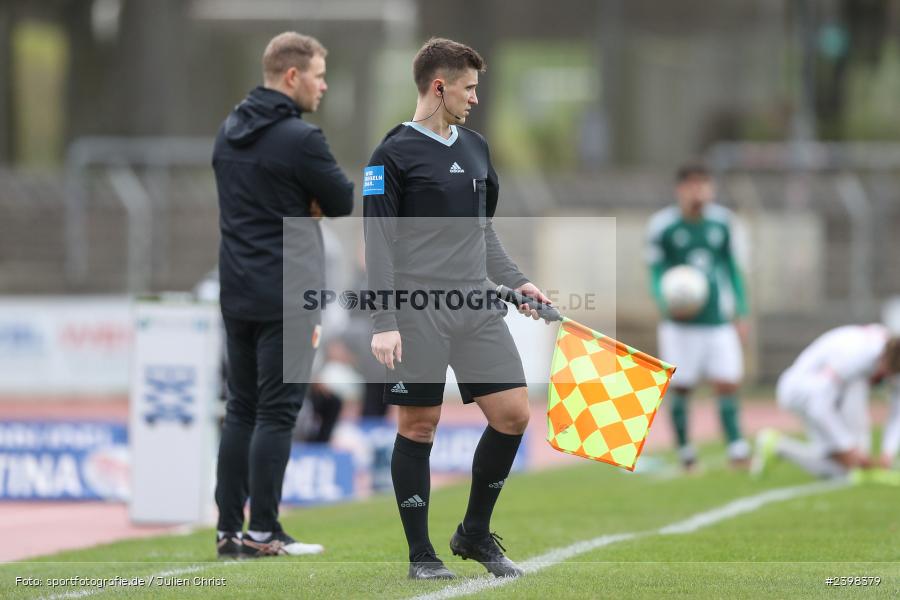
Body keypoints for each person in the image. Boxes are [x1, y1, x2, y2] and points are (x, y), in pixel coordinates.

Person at [363, 38, 550, 580]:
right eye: (468, 89)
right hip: (417, 311)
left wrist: (520, 282)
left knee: (514, 415)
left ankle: (472, 533)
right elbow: (378, 244)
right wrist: (384, 321)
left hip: (476, 308)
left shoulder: (476, 148)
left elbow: (481, 234)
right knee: (420, 426)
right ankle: (422, 555)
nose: (474, 98)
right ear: (439, 87)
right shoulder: (391, 154)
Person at [212, 32, 353, 559]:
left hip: (238, 291)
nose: (324, 84)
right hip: (290, 295)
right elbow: (342, 199)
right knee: (276, 413)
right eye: (318, 74)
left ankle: (229, 531)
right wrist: (304, 200)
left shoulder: (228, 130)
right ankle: (266, 531)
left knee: (240, 409)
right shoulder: (300, 139)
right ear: (291, 77)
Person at [646, 163, 751, 470]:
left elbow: (733, 269)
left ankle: (737, 447)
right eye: (692, 185)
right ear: (681, 189)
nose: (699, 191)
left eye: (704, 185)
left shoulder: (723, 224)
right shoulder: (663, 226)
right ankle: (685, 452)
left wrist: (741, 312)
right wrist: (663, 297)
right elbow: (655, 270)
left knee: (728, 382)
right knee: (682, 386)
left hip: (718, 321)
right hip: (679, 325)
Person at [752, 324, 900, 480]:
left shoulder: (888, 354)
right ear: (883, 358)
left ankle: (778, 446)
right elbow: (818, 405)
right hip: (801, 390)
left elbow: (898, 411)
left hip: (829, 396)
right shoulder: (855, 358)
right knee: (851, 464)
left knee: (844, 471)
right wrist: (848, 447)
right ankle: (775, 444)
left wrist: (888, 453)